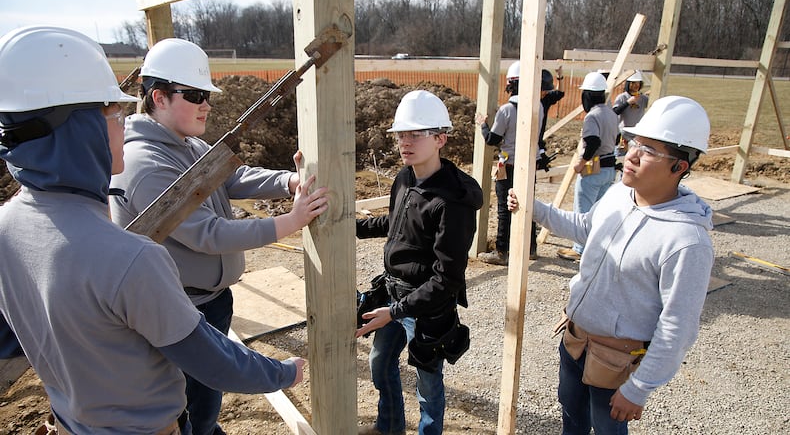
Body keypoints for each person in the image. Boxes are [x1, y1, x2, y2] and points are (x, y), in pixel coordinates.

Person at [0, 25, 311, 434]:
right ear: (82, 130)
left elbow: (16, 339)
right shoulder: (131, 250)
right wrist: (282, 374)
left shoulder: (8, 225)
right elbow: (212, 357)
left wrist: (286, 181)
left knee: (201, 407)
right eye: (111, 113)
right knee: (197, 406)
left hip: (76, 421)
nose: (122, 121)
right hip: (149, 404)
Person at [109, 38, 328, 435]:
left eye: (206, 95)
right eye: (194, 95)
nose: (206, 104)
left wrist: (288, 180)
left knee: (203, 401)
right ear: (158, 97)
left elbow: (232, 177)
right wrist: (290, 223)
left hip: (209, 301)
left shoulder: (187, 144)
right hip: (178, 312)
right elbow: (208, 235)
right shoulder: (145, 164)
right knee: (188, 405)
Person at [507, 96, 714, 434]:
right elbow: (585, 228)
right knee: (571, 419)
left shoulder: (686, 241)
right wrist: (534, 209)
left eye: (648, 151)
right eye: (633, 142)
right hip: (576, 342)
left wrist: (638, 388)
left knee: (606, 429)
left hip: (615, 362)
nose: (630, 155)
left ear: (680, 166)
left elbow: (678, 326)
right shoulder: (619, 195)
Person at [355, 90, 483, 435]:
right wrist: (350, 227)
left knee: (428, 385)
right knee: (380, 365)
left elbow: (446, 280)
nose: (404, 142)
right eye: (400, 134)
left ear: (440, 138)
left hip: (427, 306)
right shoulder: (405, 177)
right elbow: (394, 222)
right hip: (393, 293)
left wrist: (395, 313)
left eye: (415, 134)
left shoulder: (452, 203)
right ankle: (390, 428)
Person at [475, 61, 544, 265]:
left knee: (505, 208)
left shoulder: (507, 110)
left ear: (512, 84)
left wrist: (483, 125)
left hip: (509, 165)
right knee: (527, 206)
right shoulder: (537, 106)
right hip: (529, 164)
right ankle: (530, 249)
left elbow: (492, 140)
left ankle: (502, 252)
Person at [556, 72, 619, 261]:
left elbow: (592, 142)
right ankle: (595, 246)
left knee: (583, 211)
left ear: (588, 95)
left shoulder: (592, 116)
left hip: (594, 168)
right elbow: (616, 139)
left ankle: (580, 249)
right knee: (599, 211)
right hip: (609, 167)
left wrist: (581, 163)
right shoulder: (611, 113)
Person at [612, 71, 649, 150]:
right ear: (628, 84)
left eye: (638, 83)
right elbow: (615, 112)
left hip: (637, 133)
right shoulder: (622, 97)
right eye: (633, 83)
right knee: (620, 155)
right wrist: (628, 103)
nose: (636, 85)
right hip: (624, 134)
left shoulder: (643, 98)